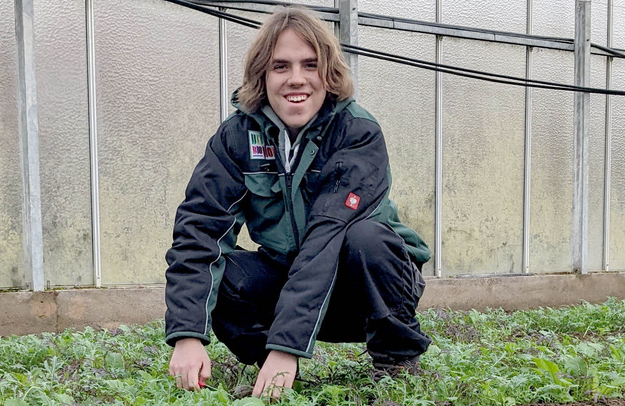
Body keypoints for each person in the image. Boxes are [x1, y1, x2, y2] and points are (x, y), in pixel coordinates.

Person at [163, 5, 432, 398]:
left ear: (329, 73)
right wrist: (187, 334)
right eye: (280, 66)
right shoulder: (236, 138)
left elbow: (327, 238)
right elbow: (200, 228)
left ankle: (396, 361)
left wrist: (287, 344)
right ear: (262, 74)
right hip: (290, 276)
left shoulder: (357, 133)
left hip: (363, 291)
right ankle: (271, 372)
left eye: (310, 65)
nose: (296, 79)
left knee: (367, 239)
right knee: (230, 277)